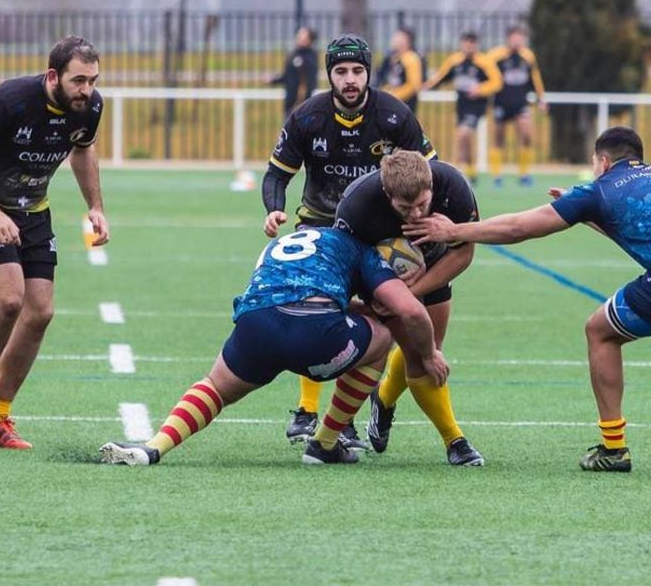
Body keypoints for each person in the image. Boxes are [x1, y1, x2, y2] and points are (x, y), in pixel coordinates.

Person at [405, 127, 651, 475]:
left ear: (601, 161)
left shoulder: (598, 189)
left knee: (600, 331)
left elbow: (519, 227)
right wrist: (589, 214)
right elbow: (644, 227)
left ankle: (613, 448)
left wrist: (456, 229)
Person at [99, 227, 448, 467]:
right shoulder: (364, 251)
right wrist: (428, 353)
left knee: (216, 387)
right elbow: (409, 311)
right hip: (316, 334)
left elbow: (287, 286)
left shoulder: (296, 240)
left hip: (257, 323)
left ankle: (154, 447)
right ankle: (325, 444)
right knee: (383, 336)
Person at [262, 33, 438, 447]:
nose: (349, 79)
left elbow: (432, 171)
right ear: (330, 76)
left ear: (368, 73)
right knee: (316, 313)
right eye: (341, 71)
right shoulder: (307, 117)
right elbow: (277, 173)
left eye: (357, 70)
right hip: (320, 227)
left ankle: (344, 419)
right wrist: (273, 207)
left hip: (380, 234)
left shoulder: (395, 115)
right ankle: (306, 413)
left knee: (377, 322)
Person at [0, 35, 109, 450]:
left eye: (91, 80)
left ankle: (0, 412)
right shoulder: (9, 101)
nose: (86, 90)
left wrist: (96, 207)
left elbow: (83, 151)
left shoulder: (90, 108)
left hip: (33, 208)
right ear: (53, 75)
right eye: (78, 81)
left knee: (40, 312)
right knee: (10, 300)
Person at [338, 150, 485, 466]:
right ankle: (454, 441)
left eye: (422, 204)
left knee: (431, 349)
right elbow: (345, 265)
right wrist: (387, 295)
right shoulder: (357, 205)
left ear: (431, 183)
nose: (416, 215)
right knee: (420, 355)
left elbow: (463, 254)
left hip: (434, 265)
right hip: (376, 278)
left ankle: (384, 398)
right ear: (387, 194)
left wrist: (412, 291)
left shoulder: (454, 186)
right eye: (406, 208)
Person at [421, 31, 503, 184]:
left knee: (462, 135)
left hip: (477, 106)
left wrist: (480, 89)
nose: (469, 46)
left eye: (472, 43)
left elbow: (497, 82)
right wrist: (426, 86)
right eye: (466, 43)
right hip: (462, 106)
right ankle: (472, 173)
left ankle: (454, 175)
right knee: (465, 140)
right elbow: (441, 77)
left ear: (476, 45)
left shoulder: (484, 62)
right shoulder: (455, 61)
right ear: (461, 44)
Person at [486, 25, 547, 187]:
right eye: (514, 38)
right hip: (501, 103)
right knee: (499, 139)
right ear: (508, 39)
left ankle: (524, 174)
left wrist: (541, 98)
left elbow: (535, 78)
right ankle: (497, 175)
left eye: (520, 38)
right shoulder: (496, 56)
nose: (517, 41)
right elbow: (486, 75)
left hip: (520, 103)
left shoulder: (527, 56)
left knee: (526, 135)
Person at [374, 26, 426, 113]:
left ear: (407, 41)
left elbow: (413, 86)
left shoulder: (411, 58)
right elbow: (382, 77)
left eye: (399, 37)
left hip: (405, 106)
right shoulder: (390, 57)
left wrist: (393, 96)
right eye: (395, 37)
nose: (395, 40)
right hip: (388, 105)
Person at [270, 26, 319, 116]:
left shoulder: (310, 57)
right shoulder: (294, 54)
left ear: (309, 39)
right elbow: (287, 76)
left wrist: (301, 103)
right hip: (289, 102)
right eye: (299, 35)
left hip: (300, 105)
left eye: (303, 36)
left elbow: (310, 83)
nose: (299, 37)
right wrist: (273, 80)